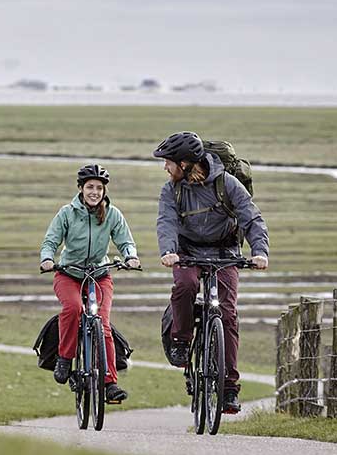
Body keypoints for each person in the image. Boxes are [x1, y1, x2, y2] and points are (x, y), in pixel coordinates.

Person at [153, 131, 269, 414]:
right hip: (187, 252)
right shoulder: (172, 189)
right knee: (185, 287)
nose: (164, 168)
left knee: (227, 314)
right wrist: (169, 250)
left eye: (168, 162)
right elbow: (166, 221)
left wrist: (260, 251)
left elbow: (250, 216)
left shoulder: (226, 184)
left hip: (225, 252)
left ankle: (229, 388)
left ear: (184, 164)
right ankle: (181, 340)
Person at [40, 164, 140, 403]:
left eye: (99, 188)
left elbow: (125, 241)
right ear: (80, 189)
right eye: (90, 187)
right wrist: (47, 258)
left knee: (102, 324)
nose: (94, 192)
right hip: (68, 274)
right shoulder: (66, 213)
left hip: (99, 275)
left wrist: (131, 256)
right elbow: (51, 241)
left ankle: (110, 382)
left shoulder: (113, 214)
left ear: (104, 191)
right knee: (73, 309)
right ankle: (64, 359)